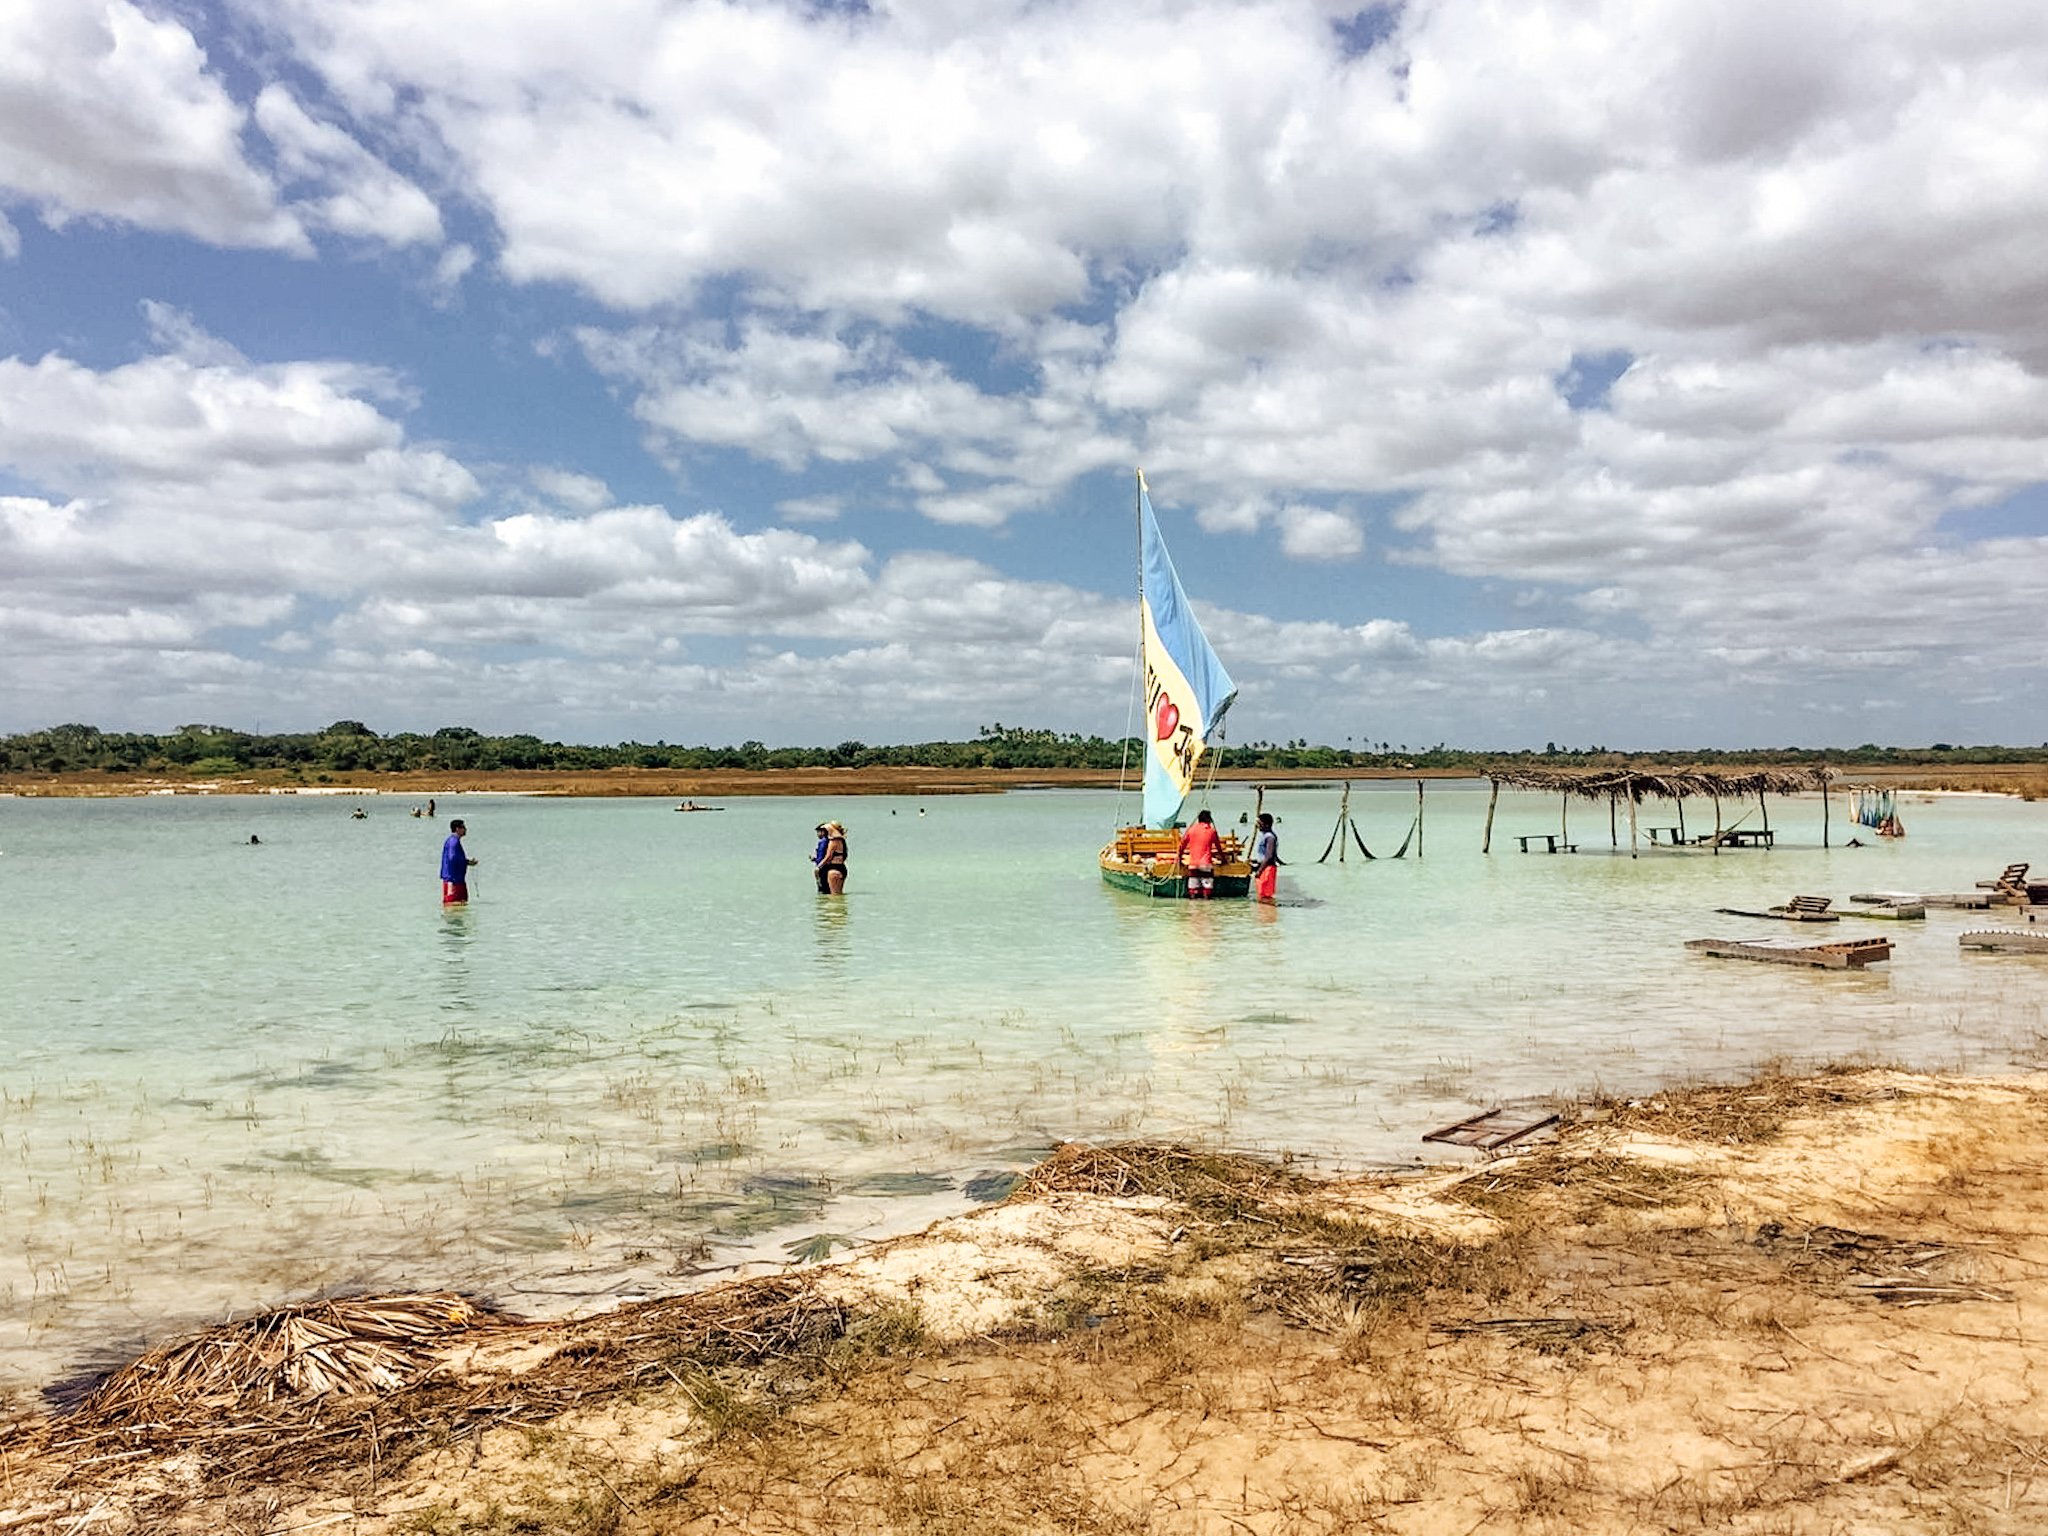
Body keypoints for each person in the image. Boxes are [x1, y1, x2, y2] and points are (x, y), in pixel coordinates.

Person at [1178, 808, 1222, 899]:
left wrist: (1179, 857)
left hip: (1193, 864)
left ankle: (1194, 909)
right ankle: (1206, 907)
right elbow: (1218, 847)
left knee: (1193, 889)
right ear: (1208, 819)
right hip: (1206, 864)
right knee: (1207, 890)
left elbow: (1182, 845)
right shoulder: (1211, 831)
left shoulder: (1191, 830)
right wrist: (1224, 859)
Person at [440, 818, 477, 904]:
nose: (465, 829)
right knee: (454, 904)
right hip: (454, 880)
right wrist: (466, 862)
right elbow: (452, 858)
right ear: (457, 829)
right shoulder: (454, 841)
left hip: (455, 879)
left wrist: (467, 862)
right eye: (463, 827)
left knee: (459, 905)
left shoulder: (452, 841)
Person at [1249, 811, 1281, 902]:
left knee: (1266, 895)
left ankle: (1268, 914)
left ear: (1266, 825)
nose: (1258, 826)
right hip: (1264, 867)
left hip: (1267, 868)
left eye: (1260, 823)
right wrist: (1255, 861)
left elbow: (1269, 856)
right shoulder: (1265, 836)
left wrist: (1259, 870)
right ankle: (1264, 914)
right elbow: (1263, 855)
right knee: (1262, 894)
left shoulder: (1270, 837)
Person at [814, 820, 849, 894]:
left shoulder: (834, 841)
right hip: (840, 867)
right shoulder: (841, 840)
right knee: (837, 895)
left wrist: (818, 867)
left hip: (834, 869)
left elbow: (828, 856)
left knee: (834, 897)